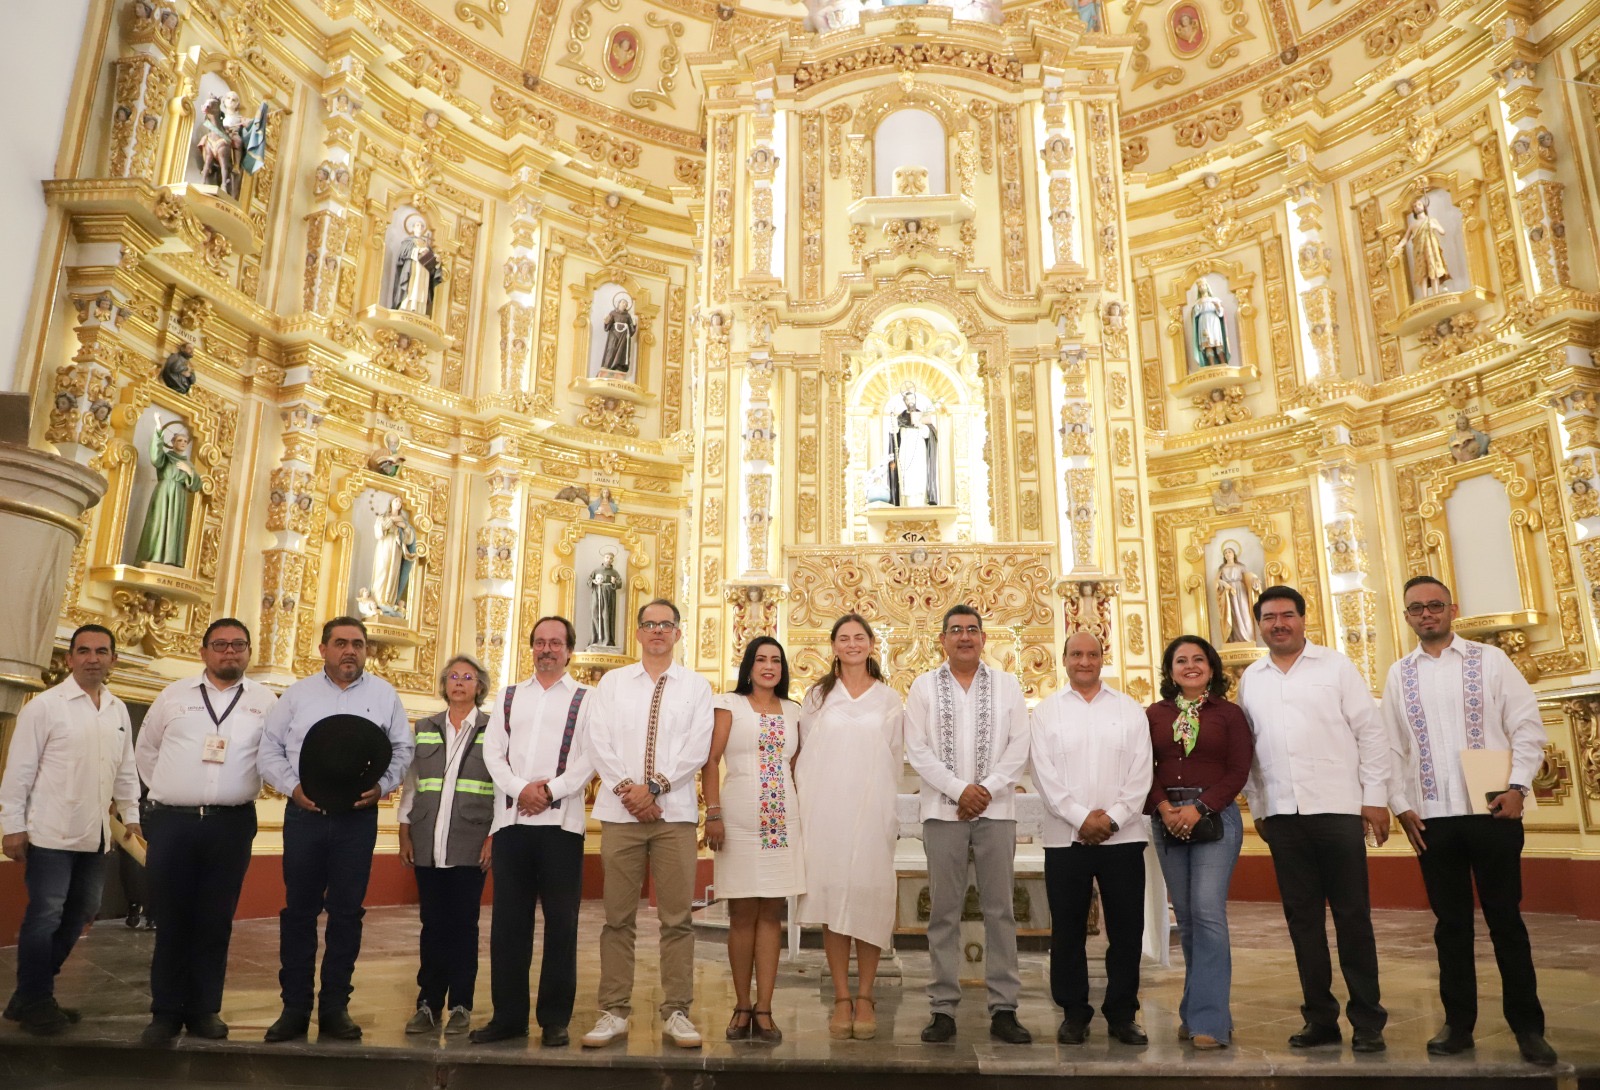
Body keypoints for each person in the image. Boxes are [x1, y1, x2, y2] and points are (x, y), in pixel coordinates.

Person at [1382, 576, 1557, 1065]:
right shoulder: (1400, 674)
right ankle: (1458, 1026)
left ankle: (1529, 1029)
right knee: (1450, 926)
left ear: (1452, 610)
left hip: (1492, 810)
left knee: (1506, 920)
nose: (1426, 614)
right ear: (1407, 616)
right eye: (1416, 608)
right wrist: (1400, 804)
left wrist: (1518, 787)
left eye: (1435, 605)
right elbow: (1393, 746)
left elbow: (1526, 725)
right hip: (1432, 818)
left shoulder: (1489, 661)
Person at [1237, 585, 1390, 1053]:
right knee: (1302, 920)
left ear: (1303, 620)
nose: (1278, 624)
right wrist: (1259, 807)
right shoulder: (1252, 677)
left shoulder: (1336, 666)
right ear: (1259, 624)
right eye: (1269, 617)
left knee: (1352, 917)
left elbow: (1370, 732)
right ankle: (1319, 1017)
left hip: (1338, 808)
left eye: (1287, 615)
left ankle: (1367, 1020)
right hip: (1283, 814)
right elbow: (1250, 751)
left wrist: (1375, 798)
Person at [257, 616, 414, 1043]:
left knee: (347, 914)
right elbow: (269, 747)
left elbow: (403, 749)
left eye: (358, 644)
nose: (350, 651)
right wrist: (292, 787)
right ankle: (294, 1008)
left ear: (366, 651)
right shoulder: (297, 695)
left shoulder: (384, 696)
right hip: (305, 816)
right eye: (341, 643)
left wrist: (384, 785)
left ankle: (335, 1008)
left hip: (356, 820)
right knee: (300, 912)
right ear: (323, 649)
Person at [135, 619, 277, 1045]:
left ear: (249, 652)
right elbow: (147, 751)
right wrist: (175, 791)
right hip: (174, 821)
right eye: (220, 645)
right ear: (204, 652)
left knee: (215, 920)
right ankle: (164, 1012)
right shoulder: (173, 695)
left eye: (238, 645)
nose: (229, 652)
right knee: (171, 917)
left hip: (230, 823)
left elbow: (273, 754)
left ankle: (203, 1010)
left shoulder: (265, 701)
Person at [581, 600, 715, 1050]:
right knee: (617, 919)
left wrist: (655, 787)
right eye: (650, 624)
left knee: (677, 919)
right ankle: (614, 1011)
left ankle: (676, 1010)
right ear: (638, 633)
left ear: (678, 633)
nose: (658, 631)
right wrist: (630, 792)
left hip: (673, 817)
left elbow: (698, 746)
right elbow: (596, 740)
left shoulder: (696, 687)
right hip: (621, 816)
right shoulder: (613, 683)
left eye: (666, 625)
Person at [0, 625, 141, 1036]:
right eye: (83, 651)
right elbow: (19, 772)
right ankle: (38, 998)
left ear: (113, 659)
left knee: (81, 911)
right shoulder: (44, 707)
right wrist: (12, 827)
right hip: (49, 833)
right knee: (45, 916)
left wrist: (130, 815)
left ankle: (29, 995)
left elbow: (126, 769)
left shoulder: (116, 710)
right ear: (70, 659)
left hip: (95, 835)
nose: (92, 658)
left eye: (101, 651)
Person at [904, 605, 1032, 1045]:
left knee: (1001, 909)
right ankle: (943, 1008)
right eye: (955, 630)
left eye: (972, 630)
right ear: (942, 639)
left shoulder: (1008, 685)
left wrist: (987, 789)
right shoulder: (923, 687)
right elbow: (916, 749)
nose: (964, 636)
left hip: (996, 813)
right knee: (943, 911)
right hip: (943, 813)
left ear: (983, 638)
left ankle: (1004, 1008)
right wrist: (960, 790)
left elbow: (1019, 746)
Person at [474, 617, 594, 1047]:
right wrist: (521, 790)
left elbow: (590, 756)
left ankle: (555, 1018)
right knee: (508, 924)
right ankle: (508, 1016)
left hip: (562, 827)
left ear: (569, 650)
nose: (547, 648)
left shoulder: (588, 699)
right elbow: (493, 754)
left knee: (562, 924)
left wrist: (550, 790)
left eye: (556, 642)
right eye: (540, 642)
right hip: (512, 824)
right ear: (531, 648)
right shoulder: (508, 697)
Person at [1029, 632, 1153, 1046]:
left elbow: (1141, 773)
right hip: (1066, 839)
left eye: (1092, 654)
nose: (1085, 661)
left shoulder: (1129, 709)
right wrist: (1082, 818)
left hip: (1124, 838)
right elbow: (1044, 776)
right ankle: (1074, 1013)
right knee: (1067, 931)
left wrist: (1113, 819)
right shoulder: (1046, 713)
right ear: (1063, 659)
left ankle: (1122, 1013)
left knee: (1126, 929)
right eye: (1077, 654)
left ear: (1103, 659)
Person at [794, 613, 904, 1041]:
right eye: (844, 638)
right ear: (834, 646)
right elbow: (804, 755)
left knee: (870, 896)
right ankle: (841, 996)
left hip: (873, 808)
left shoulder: (889, 699)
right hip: (827, 811)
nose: (853, 644)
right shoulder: (818, 697)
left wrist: (886, 810)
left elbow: (894, 761)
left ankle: (866, 995)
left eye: (860, 637)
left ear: (872, 645)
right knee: (833, 896)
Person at [1144, 635, 1253, 1050]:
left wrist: (1201, 807)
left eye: (1198, 659)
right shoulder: (1155, 714)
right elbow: (1144, 767)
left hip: (1214, 819)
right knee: (1187, 919)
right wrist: (1163, 807)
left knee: (1207, 914)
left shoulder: (1229, 714)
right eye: (1181, 660)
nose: (1190, 666)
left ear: (1211, 667)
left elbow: (1239, 768)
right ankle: (1196, 1010)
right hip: (1168, 818)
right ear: (1170, 670)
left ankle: (1211, 1022)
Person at [702, 637, 805, 1044]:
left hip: (783, 819)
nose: (768, 666)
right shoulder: (729, 704)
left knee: (772, 915)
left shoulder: (795, 711)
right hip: (740, 818)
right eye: (761, 659)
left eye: (775, 660)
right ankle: (742, 1004)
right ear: (749, 666)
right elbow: (710, 760)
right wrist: (713, 812)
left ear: (782, 669)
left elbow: (796, 769)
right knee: (743, 913)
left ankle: (765, 1008)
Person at [398, 655, 493, 1037]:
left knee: (463, 927)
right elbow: (411, 785)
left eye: (467, 677)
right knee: (432, 925)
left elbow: (502, 788)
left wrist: (494, 837)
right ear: (444, 684)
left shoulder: (494, 729)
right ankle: (427, 1003)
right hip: (426, 840)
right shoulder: (423, 727)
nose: (459, 682)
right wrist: (404, 834)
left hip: (470, 842)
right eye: (453, 676)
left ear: (479, 687)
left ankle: (460, 1006)